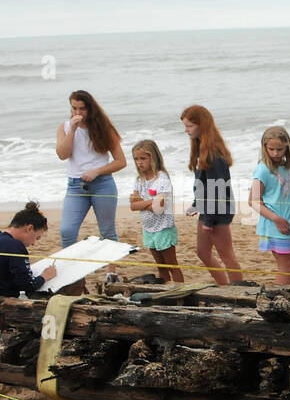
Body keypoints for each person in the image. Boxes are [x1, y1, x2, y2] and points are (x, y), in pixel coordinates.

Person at [55, 90, 126, 248]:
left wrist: (97, 171)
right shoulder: (64, 127)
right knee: (67, 231)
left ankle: (111, 272)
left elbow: (121, 161)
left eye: (82, 109)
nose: (78, 113)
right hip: (75, 186)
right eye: (74, 108)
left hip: (102, 184)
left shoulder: (104, 128)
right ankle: (73, 270)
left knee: (107, 231)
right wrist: (72, 130)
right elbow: (62, 154)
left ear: (90, 109)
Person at [181, 105, 243, 284]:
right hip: (208, 208)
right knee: (202, 252)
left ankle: (237, 290)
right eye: (185, 126)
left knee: (226, 255)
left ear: (202, 125)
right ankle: (224, 287)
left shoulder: (213, 155)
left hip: (219, 211)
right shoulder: (201, 148)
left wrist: (209, 219)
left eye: (189, 126)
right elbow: (203, 184)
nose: (186, 131)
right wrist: (196, 204)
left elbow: (218, 190)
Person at [250, 126, 290, 286]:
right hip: (275, 225)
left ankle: (289, 299)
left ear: (287, 147)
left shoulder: (287, 167)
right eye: (271, 149)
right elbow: (253, 201)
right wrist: (276, 219)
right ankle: (281, 299)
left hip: (289, 224)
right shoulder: (263, 169)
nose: (276, 153)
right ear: (265, 147)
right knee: (285, 267)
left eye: (280, 149)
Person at [128, 140, 183, 283]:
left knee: (171, 265)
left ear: (153, 157)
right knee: (160, 267)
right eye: (136, 159)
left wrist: (141, 202)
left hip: (163, 228)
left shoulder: (161, 178)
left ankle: (180, 292)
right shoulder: (139, 180)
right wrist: (149, 202)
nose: (139, 162)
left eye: (143, 158)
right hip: (148, 229)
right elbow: (132, 206)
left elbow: (158, 208)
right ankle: (165, 290)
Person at [0, 203, 58, 297]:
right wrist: (45, 276)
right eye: (37, 237)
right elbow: (27, 284)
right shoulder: (15, 246)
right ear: (29, 228)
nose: (34, 243)